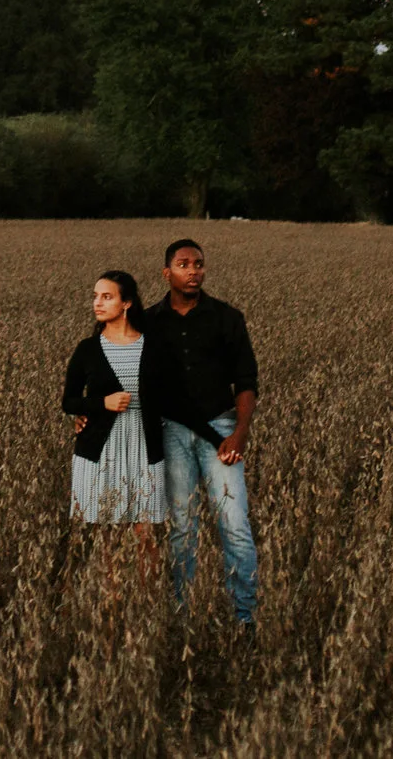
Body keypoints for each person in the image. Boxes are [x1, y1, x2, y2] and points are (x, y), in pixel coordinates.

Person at [141, 237, 259, 624]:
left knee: (235, 525)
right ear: (166, 272)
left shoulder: (228, 318)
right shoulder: (148, 322)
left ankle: (245, 619)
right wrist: (87, 409)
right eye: (183, 264)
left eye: (199, 264)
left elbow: (246, 381)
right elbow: (115, 364)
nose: (193, 271)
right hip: (171, 432)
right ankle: (184, 618)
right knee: (182, 528)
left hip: (222, 428)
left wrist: (240, 432)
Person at [61, 271, 166, 533]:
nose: (97, 303)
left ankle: (147, 578)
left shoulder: (154, 347)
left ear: (127, 303)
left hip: (145, 448)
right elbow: (69, 402)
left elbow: (173, 395)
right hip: (101, 451)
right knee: (107, 537)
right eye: (96, 297)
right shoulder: (86, 349)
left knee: (147, 534)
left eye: (107, 297)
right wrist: (101, 404)